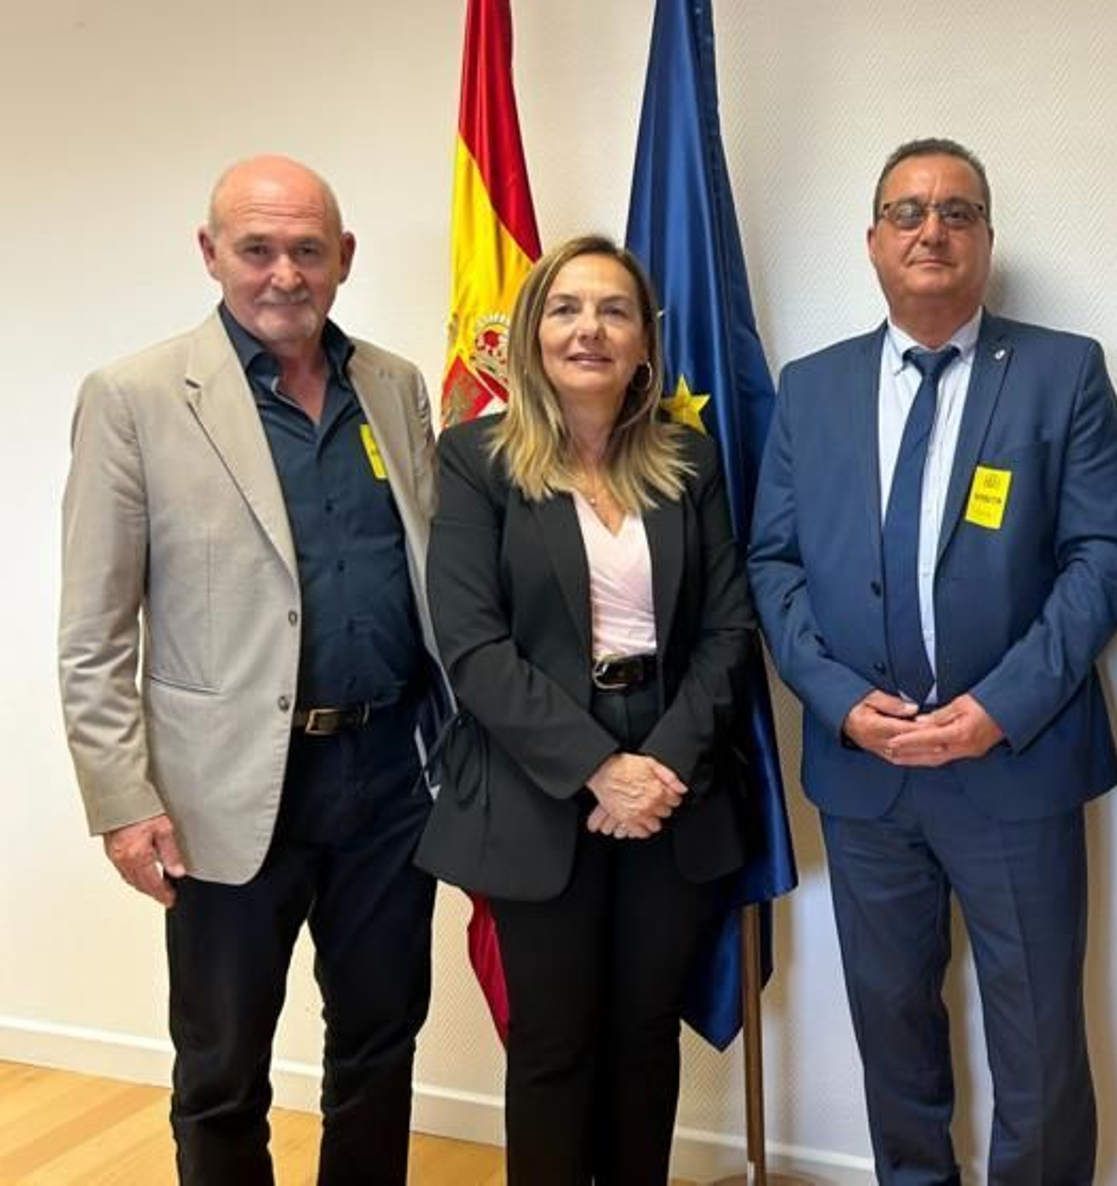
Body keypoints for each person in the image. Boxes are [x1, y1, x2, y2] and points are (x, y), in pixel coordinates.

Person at [748, 138, 1117, 1184]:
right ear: (873, 239)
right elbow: (773, 563)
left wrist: (998, 706)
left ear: (986, 240)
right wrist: (836, 702)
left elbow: (1102, 558)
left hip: (1015, 764)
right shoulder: (812, 387)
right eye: (908, 210)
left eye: (957, 211)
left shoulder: (1062, 371)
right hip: (865, 776)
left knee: (1038, 1036)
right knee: (890, 1025)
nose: (932, 228)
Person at [57, 155, 446, 1184]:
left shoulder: (395, 387)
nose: (284, 274)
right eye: (258, 249)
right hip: (222, 791)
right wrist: (121, 800)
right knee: (223, 1065)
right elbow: (94, 632)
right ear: (211, 253)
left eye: (308, 250)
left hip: (391, 780)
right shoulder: (135, 398)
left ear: (344, 259)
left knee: (380, 1041)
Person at [415, 234, 750, 1185]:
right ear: (530, 334)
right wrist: (600, 769)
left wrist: (661, 769)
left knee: (646, 1036)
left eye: (614, 310)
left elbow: (729, 630)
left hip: (673, 781)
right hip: (536, 783)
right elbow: (471, 644)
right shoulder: (477, 459)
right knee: (555, 1042)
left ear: (646, 341)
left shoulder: (689, 459)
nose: (589, 329)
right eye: (565, 308)